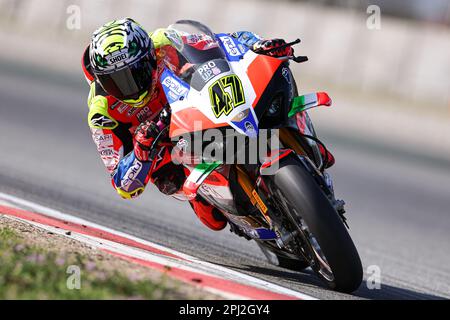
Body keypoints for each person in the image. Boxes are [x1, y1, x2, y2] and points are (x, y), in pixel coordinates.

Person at [81, 18, 297, 231]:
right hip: (168, 148)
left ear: (149, 55)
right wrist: (140, 152)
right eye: (115, 81)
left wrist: (255, 44)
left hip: (200, 106)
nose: (130, 87)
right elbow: (124, 186)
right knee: (212, 219)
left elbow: (221, 43)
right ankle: (236, 210)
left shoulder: (165, 42)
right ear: (100, 80)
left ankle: (298, 139)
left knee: (270, 89)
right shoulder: (101, 112)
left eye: (136, 72)